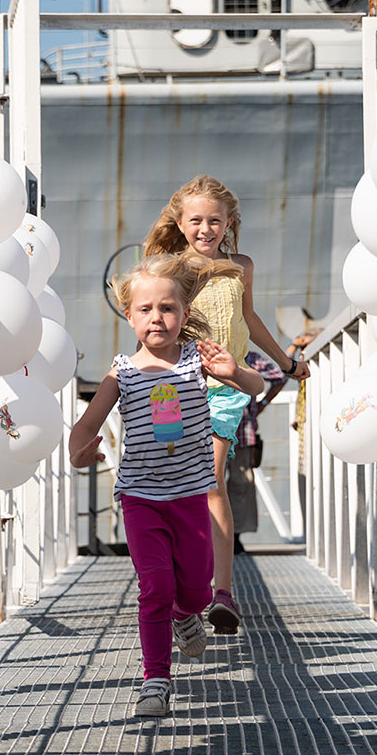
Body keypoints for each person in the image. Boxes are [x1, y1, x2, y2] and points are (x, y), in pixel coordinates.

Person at [68, 255, 263, 717]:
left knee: (195, 593)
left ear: (185, 312)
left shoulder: (200, 361)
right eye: (146, 309)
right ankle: (156, 679)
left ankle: (185, 614)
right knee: (154, 585)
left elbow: (253, 386)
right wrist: (80, 453)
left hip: (191, 496)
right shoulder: (122, 373)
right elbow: (84, 426)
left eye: (168, 308)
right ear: (129, 314)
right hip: (141, 499)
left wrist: (234, 372)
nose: (157, 317)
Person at [143, 175, 309, 635]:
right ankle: (182, 593)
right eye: (195, 220)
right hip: (173, 386)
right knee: (175, 483)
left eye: (215, 221)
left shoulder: (241, 267)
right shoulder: (169, 268)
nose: (206, 229)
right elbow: (152, 321)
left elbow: (249, 319)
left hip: (225, 386)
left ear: (229, 223)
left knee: (211, 482)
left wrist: (287, 362)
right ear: (180, 222)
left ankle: (223, 593)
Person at [228, 352, 289, 551]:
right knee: (216, 484)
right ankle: (216, 535)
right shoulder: (208, 350)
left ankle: (234, 536)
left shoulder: (249, 357)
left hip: (241, 430)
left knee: (240, 483)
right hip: (211, 430)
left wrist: (261, 404)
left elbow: (280, 376)